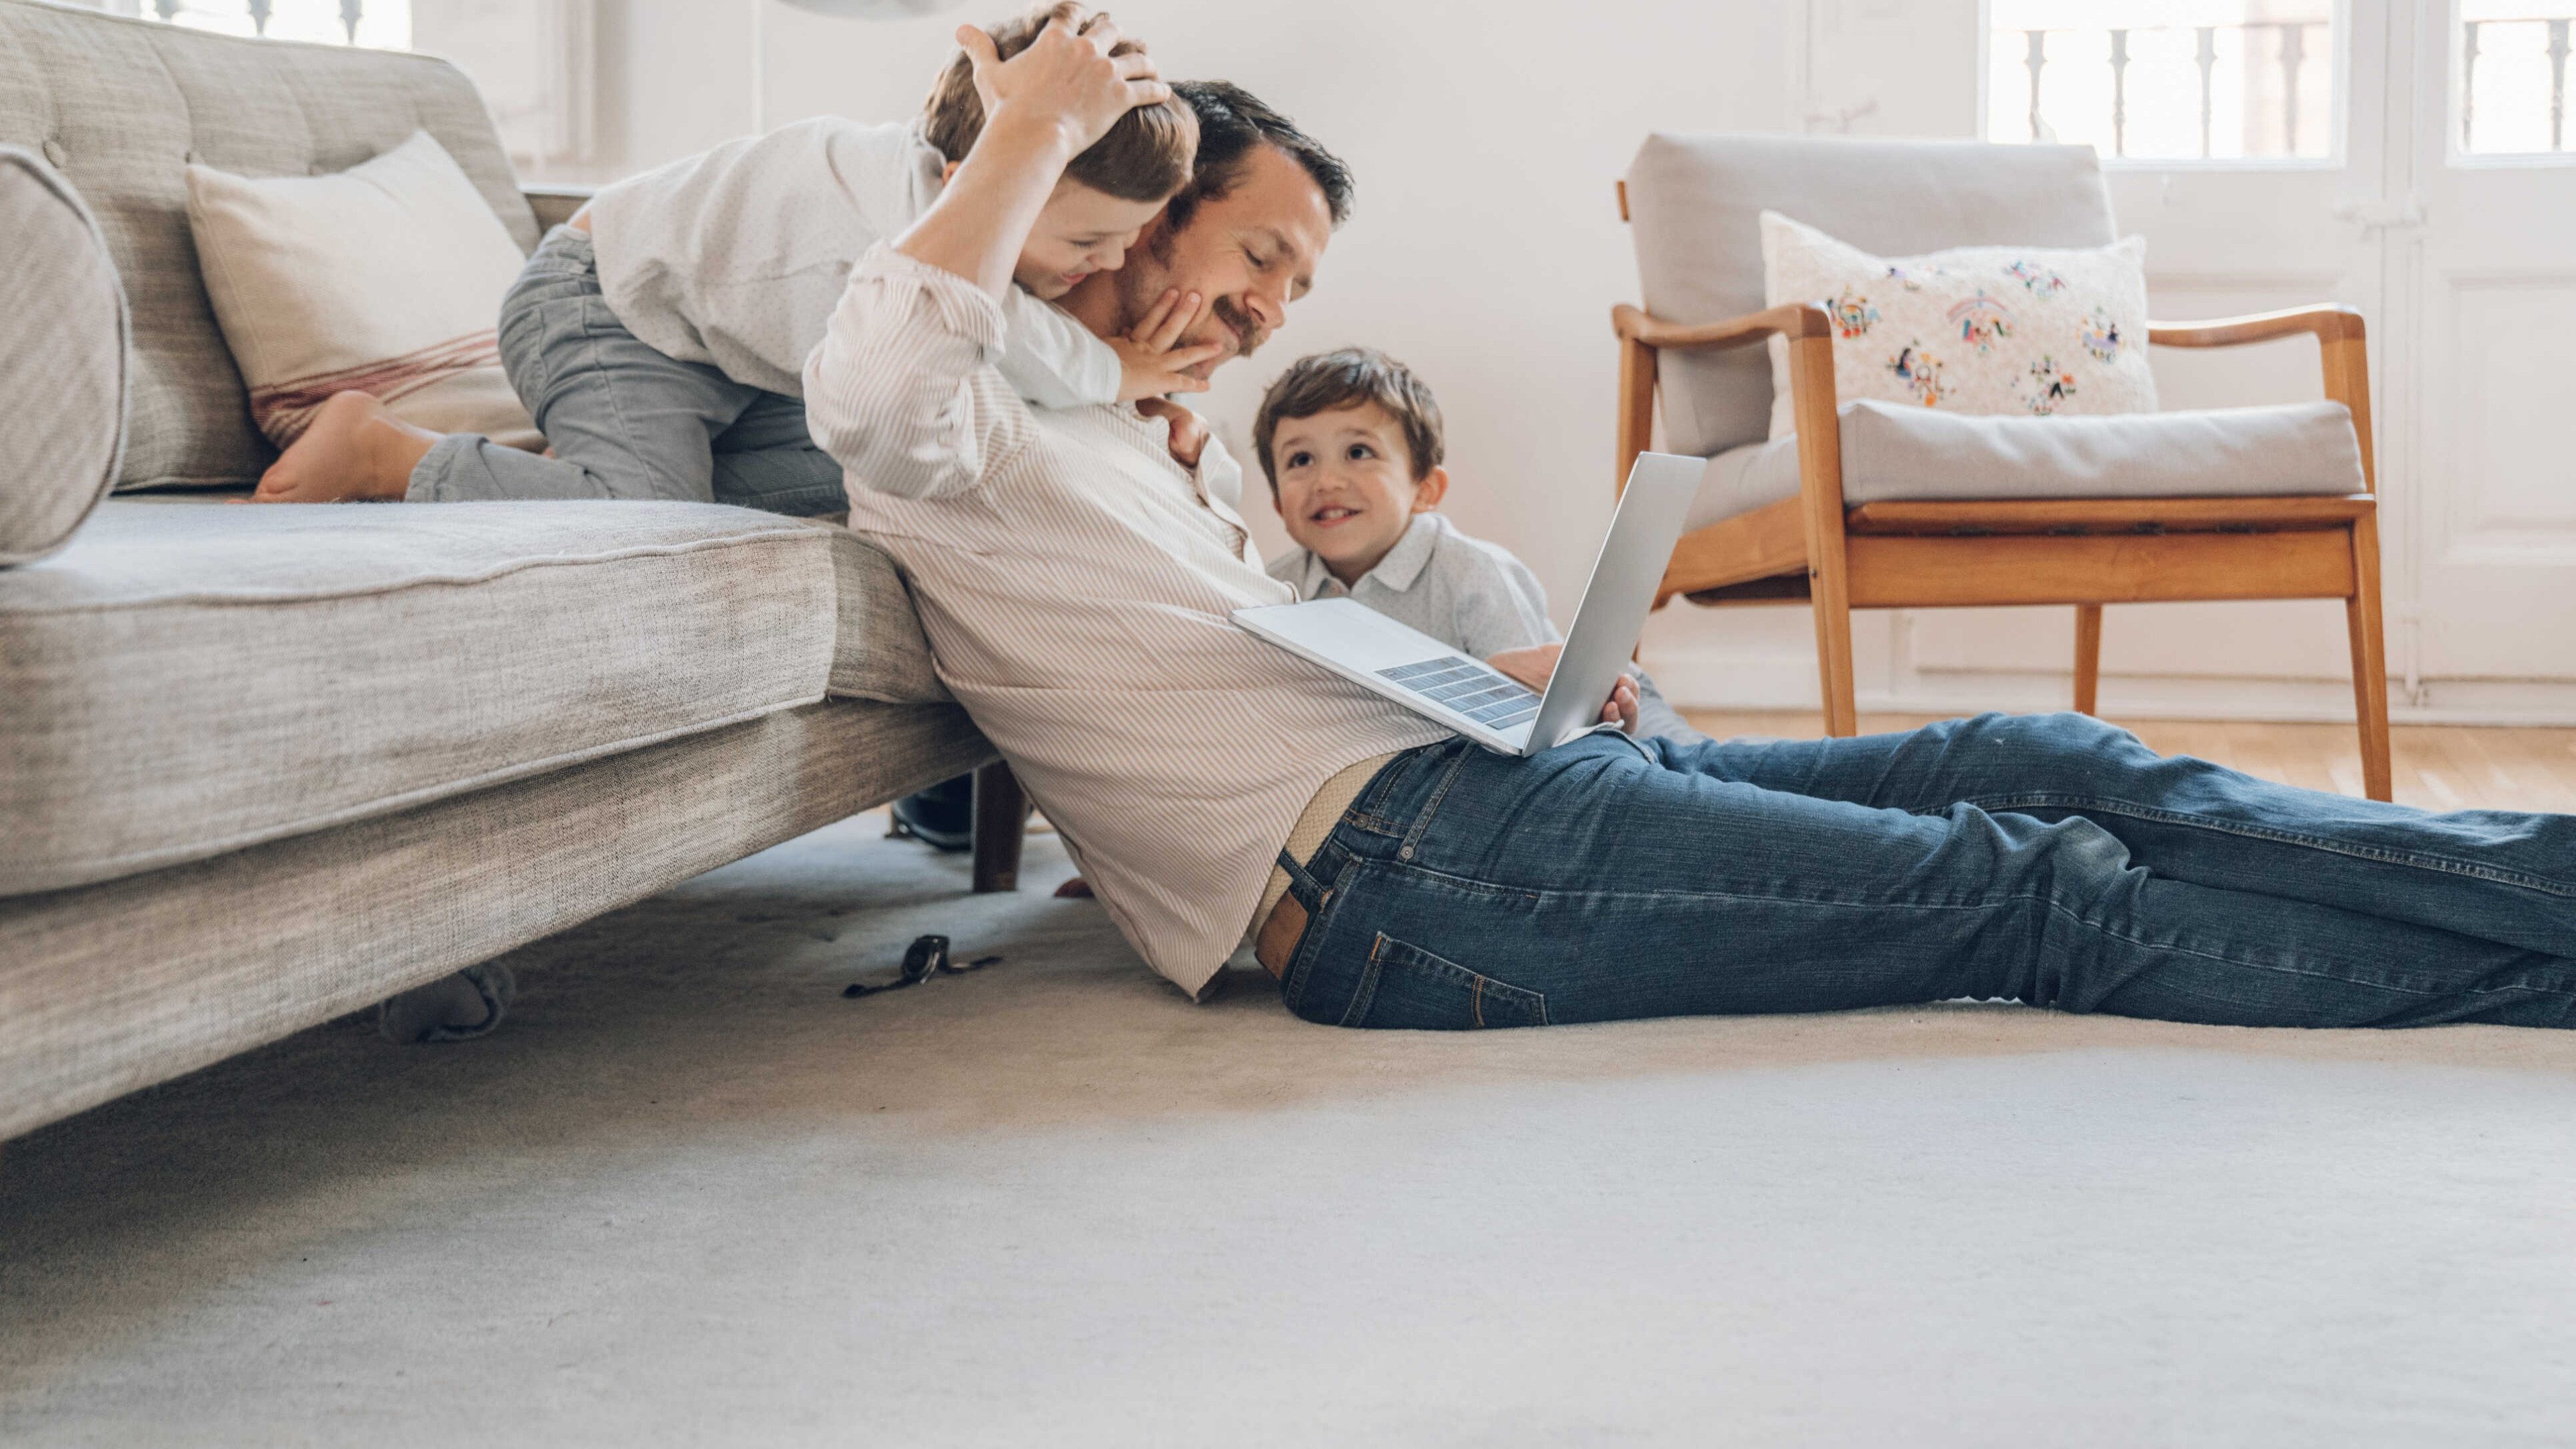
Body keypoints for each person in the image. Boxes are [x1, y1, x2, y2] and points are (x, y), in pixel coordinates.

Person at [810, 14, 2576, 1031]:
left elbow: (1265, 661)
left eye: (1295, 285)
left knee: (2063, 753)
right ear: (1132, 217)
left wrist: (1510, 684)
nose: (1274, 312)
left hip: (1495, 786)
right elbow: (883, 382)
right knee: (2036, 891)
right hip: (1388, 891)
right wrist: (1039, 130)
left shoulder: (1156, 444)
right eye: (1261, 259)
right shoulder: (956, 419)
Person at [248, 2, 1210, 511]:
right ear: (978, 174)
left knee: (868, 482)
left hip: (728, 363)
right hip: (604, 310)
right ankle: (383, 453)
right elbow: (1016, 343)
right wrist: (1120, 368)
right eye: (1088, 244)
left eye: (1127, 244)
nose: (1104, 266)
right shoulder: (906, 227)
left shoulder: (935, 189)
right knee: (648, 512)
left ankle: (563, 463)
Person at [1252, 345, 1702, 743]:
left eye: (1358, 452)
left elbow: (1538, 716)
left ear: (1425, 489)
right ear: (1277, 503)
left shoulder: (1473, 573)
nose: (1327, 481)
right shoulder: (1272, 591)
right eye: (1301, 460)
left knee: (1699, 765)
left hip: (1608, 703)